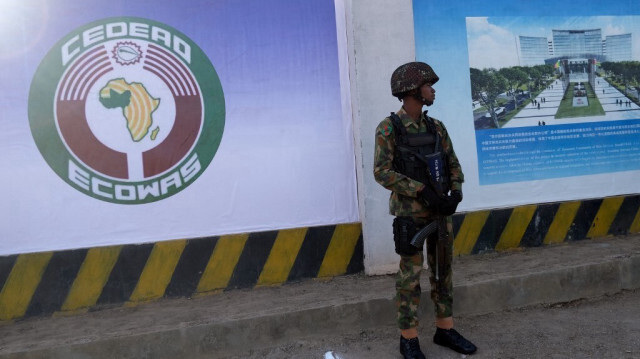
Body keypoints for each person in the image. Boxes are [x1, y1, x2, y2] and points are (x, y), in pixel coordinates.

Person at [374, 62, 477, 359]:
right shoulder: (389, 128)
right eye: (427, 85)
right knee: (410, 277)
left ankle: (445, 329)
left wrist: (455, 191)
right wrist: (420, 190)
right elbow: (381, 172)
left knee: (443, 271)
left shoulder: (436, 127)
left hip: (440, 213)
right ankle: (408, 339)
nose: (433, 89)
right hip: (411, 215)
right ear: (412, 91)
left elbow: (452, 162)